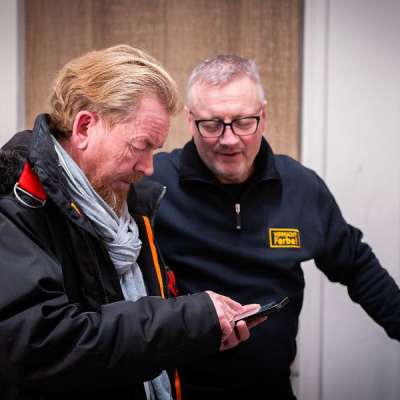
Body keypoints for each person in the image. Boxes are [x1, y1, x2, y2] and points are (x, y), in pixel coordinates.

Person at [0, 46, 263, 400]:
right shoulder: (14, 205)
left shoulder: (126, 205)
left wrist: (200, 330)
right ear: (84, 127)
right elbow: (41, 345)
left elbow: (130, 333)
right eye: (141, 146)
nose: (149, 167)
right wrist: (187, 319)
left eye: (155, 150)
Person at [146, 54, 400, 399]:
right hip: (180, 390)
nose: (229, 139)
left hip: (273, 388)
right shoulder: (154, 185)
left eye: (243, 122)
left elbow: (358, 267)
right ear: (191, 121)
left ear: (262, 116)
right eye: (212, 124)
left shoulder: (300, 187)